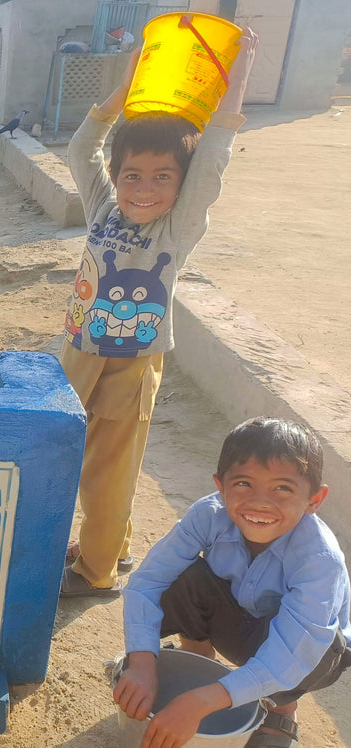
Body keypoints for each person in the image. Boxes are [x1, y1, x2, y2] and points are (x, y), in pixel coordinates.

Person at [59, 31, 259, 597]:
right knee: (74, 451)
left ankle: (95, 573)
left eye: (163, 177)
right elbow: (82, 151)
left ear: (181, 184)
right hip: (79, 348)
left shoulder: (178, 226)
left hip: (131, 360)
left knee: (110, 468)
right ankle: (110, 545)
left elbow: (214, 154)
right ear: (117, 176)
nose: (144, 189)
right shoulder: (101, 203)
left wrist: (235, 75)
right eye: (133, 176)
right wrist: (120, 95)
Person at [114, 418, 351, 748]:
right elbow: (148, 582)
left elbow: (289, 656)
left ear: (314, 500)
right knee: (182, 576)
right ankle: (199, 661)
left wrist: (201, 702)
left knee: (318, 648)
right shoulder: (208, 516)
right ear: (220, 488)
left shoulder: (320, 560)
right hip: (239, 618)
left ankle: (282, 710)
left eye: (283, 489)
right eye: (243, 484)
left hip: (301, 651)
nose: (260, 502)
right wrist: (142, 662)